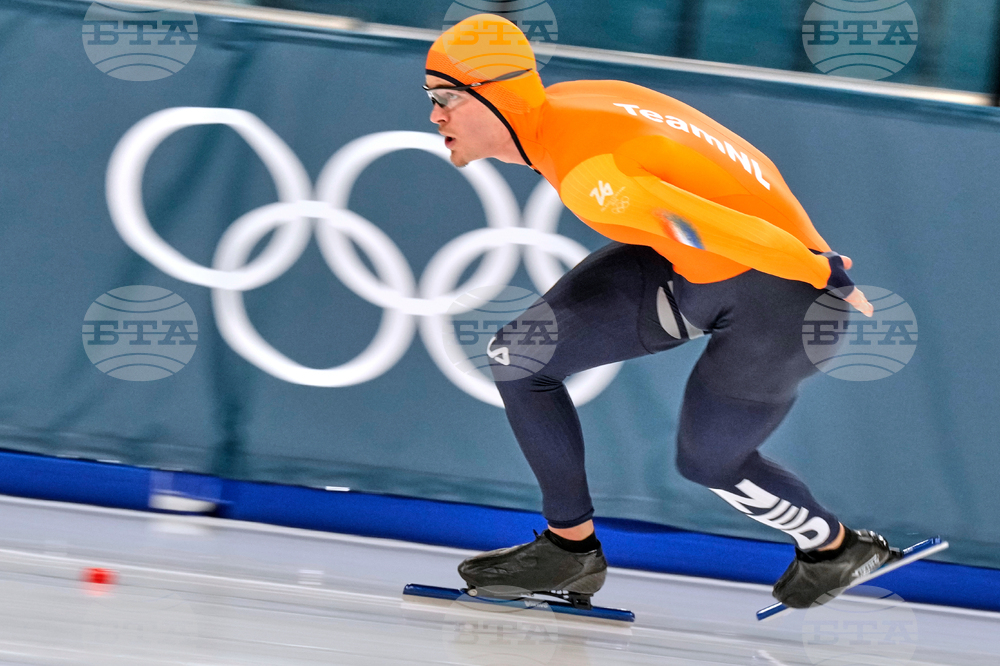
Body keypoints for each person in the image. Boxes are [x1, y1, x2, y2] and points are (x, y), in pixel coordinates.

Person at [423, 13, 899, 610]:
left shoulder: (589, 175)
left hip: (786, 299)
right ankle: (569, 551)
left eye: (445, 98)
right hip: (704, 269)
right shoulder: (569, 108)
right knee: (522, 356)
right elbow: (721, 156)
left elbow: (709, 226)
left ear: (495, 97)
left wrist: (817, 267)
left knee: (706, 461)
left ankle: (834, 549)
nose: (435, 115)